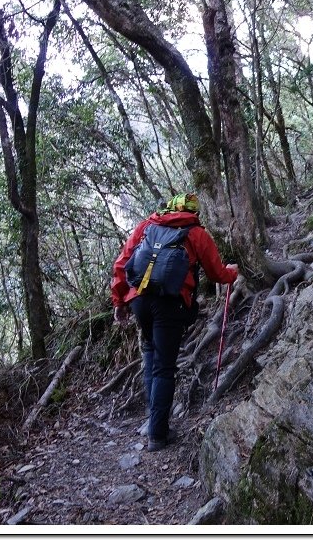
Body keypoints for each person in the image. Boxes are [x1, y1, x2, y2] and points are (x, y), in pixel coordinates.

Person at [111, 193, 237, 451]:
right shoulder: (196, 233)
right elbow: (215, 272)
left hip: (139, 301)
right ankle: (158, 434)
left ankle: (153, 421)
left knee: (150, 353)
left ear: (169, 207)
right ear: (194, 212)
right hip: (169, 303)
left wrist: (119, 302)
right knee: (164, 368)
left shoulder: (147, 225)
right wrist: (232, 273)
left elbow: (122, 264)